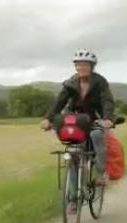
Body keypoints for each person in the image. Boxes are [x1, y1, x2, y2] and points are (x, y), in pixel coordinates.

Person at [40, 49, 115, 213]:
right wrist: (48, 118)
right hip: (76, 121)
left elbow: (107, 101)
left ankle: (101, 173)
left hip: (95, 119)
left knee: (96, 134)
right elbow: (59, 103)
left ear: (92, 66)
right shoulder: (70, 83)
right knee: (73, 156)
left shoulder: (100, 82)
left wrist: (108, 118)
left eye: (85, 65)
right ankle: (73, 200)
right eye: (78, 64)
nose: (81, 67)